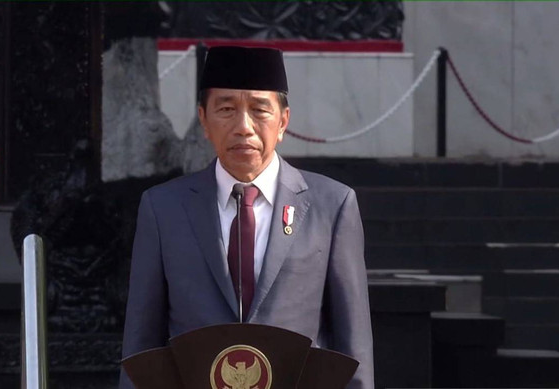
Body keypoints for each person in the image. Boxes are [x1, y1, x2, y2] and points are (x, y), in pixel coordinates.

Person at [120, 46, 374, 389]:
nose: (244, 127)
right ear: (203, 120)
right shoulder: (163, 208)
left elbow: (353, 349)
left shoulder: (332, 205)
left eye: (259, 110)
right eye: (226, 109)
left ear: (283, 121)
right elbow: (142, 349)